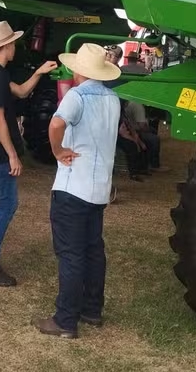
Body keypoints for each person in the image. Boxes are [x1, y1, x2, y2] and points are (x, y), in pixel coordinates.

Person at [32, 42, 121, 339]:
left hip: (73, 187)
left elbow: (55, 124)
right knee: (93, 249)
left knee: (70, 253)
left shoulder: (76, 95)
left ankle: (65, 319)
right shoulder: (113, 99)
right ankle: (92, 309)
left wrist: (57, 151)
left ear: (78, 70)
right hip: (99, 188)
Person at [0, 21, 58, 286]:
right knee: (8, 204)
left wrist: (39, 72)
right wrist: (13, 155)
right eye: (14, 43)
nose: (16, 47)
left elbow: (21, 91)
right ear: (7, 45)